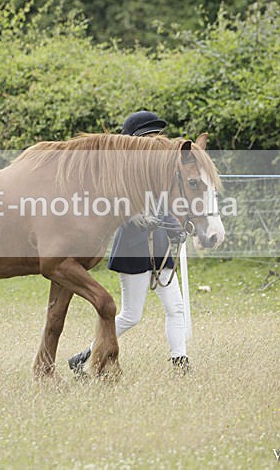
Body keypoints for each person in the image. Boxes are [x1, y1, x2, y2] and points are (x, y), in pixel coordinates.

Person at [68, 111, 191, 375]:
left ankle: (180, 362)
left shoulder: (158, 170)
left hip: (159, 247)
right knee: (131, 315)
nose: (156, 140)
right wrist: (144, 218)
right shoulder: (121, 170)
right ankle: (85, 355)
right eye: (150, 136)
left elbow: (164, 202)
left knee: (176, 308)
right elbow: (118, 209)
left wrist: (174, 228)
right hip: (133, 247)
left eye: (157, 136)